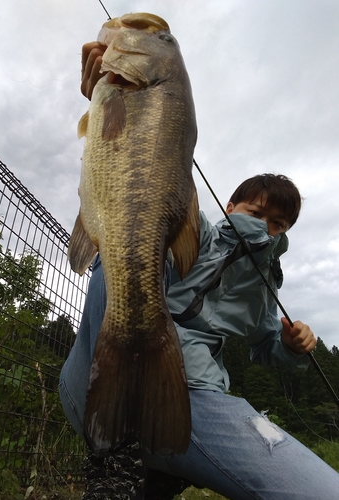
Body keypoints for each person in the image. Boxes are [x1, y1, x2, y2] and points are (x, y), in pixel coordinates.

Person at [59, 42, 339, 500]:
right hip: (98, 386)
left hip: (193, 401)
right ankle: (120, 454)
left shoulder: (267, 288)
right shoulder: (197, 231)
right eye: (256, 213)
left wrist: (292, 346)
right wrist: (113, 106)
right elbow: (141, 186)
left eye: (280, 225)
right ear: (229, 207)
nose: (265, 231)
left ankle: (158, 466)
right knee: (127, 241)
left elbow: (266, 346)